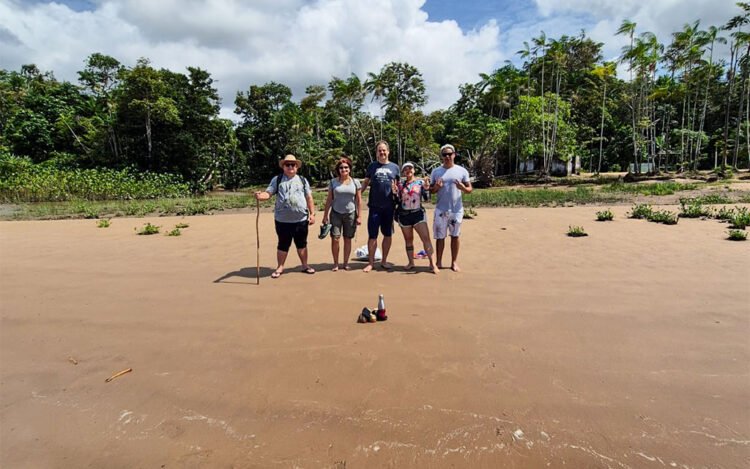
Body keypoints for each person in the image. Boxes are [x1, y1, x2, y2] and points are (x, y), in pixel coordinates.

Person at [254, 154, 316, 278]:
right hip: (282, 220)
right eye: (287, 165)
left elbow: (309, 197)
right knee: (283, 244)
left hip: (301, 219)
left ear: (297, 167)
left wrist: (312, 214)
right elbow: (268, 193)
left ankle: (305, 265)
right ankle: (280, 267)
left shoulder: (303, 180)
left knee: (302, 243)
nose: (290, 167)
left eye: (293, 165)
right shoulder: (277, 179)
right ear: (283, 166)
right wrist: (260, 197)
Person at [430, 144, 472, 272]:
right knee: (440, 237)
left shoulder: (462, 171)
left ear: (454, 154)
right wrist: (436, 188)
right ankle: (438, 261)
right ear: (441, 156)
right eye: (444, 154)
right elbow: (431, 191)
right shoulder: (436, 172)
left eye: (449, 154)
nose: (447, 156)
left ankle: (454, 262)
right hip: (441, 210)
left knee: (455, 236)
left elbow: (469, 189)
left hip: (456, 210)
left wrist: (463, 188)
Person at [360, 140, 400, 272]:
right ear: (376, 153)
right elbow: (365, 183)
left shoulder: (395, 167)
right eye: (379, 150)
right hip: (374, 207)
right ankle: (371, 263)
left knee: (387, 235)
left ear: (388, 151)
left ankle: (383, 260)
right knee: (372, 235)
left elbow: (399, 187)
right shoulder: (372, 166)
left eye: (384, 150)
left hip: (389, 207)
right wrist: (357, 195)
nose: (382, 152)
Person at [392, 162, 438, 274]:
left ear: (414, 170)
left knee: (425, 238)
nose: (408, 170)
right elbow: (398, 201)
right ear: (403, 172)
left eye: (410, 168)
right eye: (405, 169)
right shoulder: (400, 185)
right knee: (408, 240)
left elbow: (427, 199)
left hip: (418, 214)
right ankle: (411, 262)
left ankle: (432, 264)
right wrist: (394, 193)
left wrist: (427, 189)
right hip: (404, 215)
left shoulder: (420, 183)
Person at [321, 157, 362, 271]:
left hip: (350, 214)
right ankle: (335, 263)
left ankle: (345, 263)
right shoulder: (333, 182)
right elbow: (329, 199)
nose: (344, 169)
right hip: (335, 213)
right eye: (341, 167)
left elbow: (358, 200)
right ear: (338, 169)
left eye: (346, 167)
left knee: (347, 239)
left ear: (349, 169)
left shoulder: (355, 182)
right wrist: (325, 215)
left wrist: (359, 216)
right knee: (335, 238)